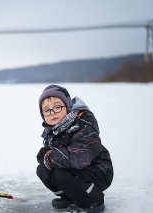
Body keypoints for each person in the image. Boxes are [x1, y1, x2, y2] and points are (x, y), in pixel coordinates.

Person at [36, 84, 113, 213]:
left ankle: (94, 200)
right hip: (76, 170)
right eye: (47, 110)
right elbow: (51, 152)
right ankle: (70, 197)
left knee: (61, 174)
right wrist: (45, 156)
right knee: (43, 170)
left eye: (57, 107)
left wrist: (52, 156)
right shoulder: (52, 130)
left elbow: (80, 156)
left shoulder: (83, 123)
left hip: (98, 170)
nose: (52, 112)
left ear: (67, 106)